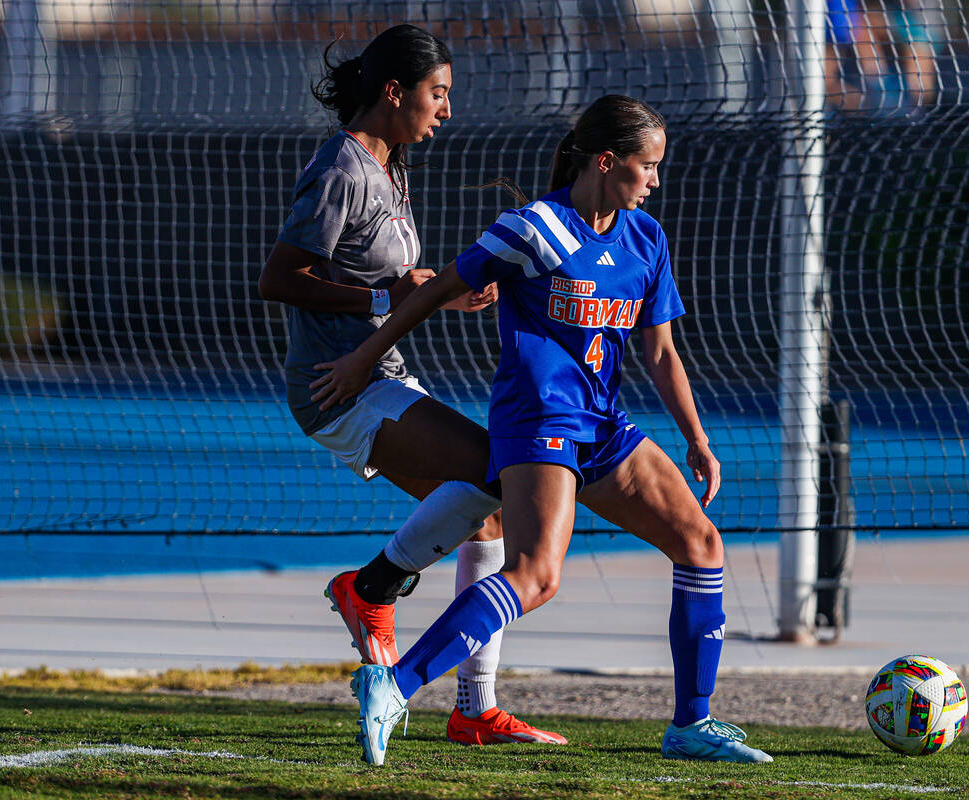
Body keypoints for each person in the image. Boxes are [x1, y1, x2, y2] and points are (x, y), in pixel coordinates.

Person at [310, 94, 775, 767]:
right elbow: (439, 288)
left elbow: (662, 353)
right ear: (606, 161)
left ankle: (690, 726)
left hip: (602, 425)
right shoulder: (535, 228)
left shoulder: (647, 238)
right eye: (647, 166)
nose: (655, 180)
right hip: (537, 421)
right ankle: (394, 684)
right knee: (536, 574)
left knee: (701, 544)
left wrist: (697, 439)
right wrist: (362, 358)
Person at [256, 23, 565, 747]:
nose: (446, 111)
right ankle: (370, 590)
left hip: (380, 375)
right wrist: (384, 300)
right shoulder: (344, 167)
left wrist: (434, 295)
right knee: (497, 475)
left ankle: (473, 708)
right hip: (337, 386)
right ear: (394, 92)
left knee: (489, 514)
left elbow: (387, 282)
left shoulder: (388, 166)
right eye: (438, 94)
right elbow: (279, 279)